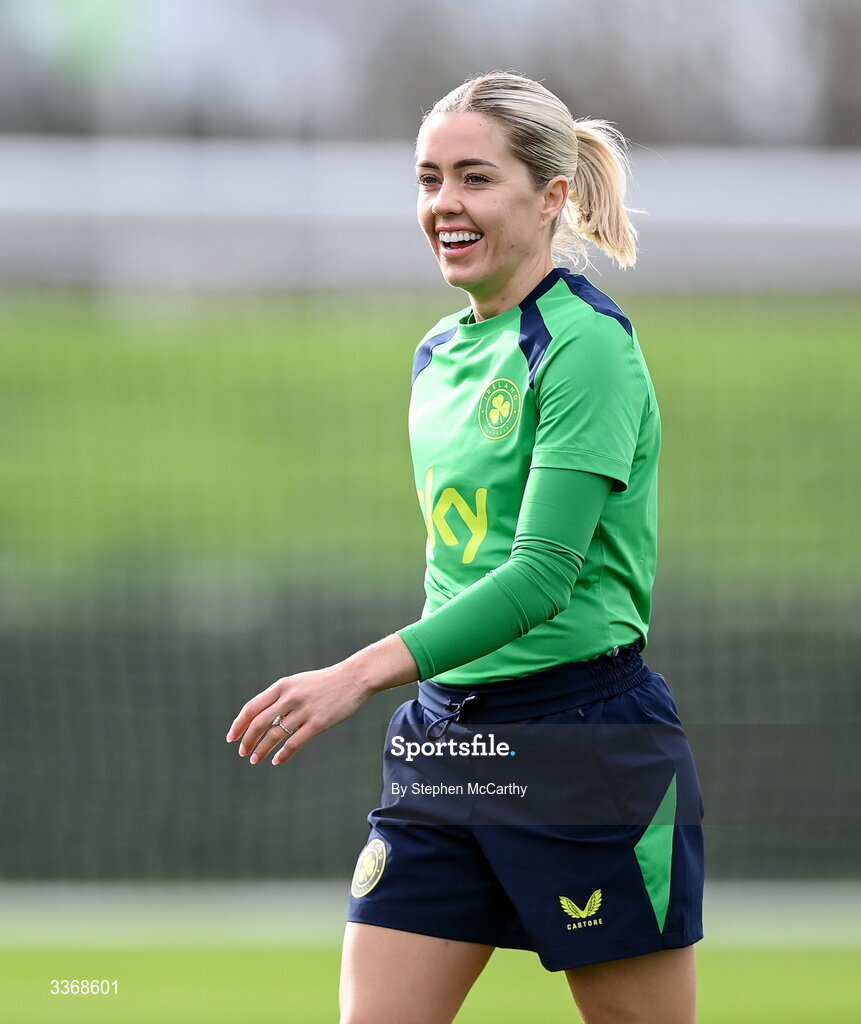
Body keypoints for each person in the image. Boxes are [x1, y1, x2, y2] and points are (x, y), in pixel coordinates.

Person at [226, 70, 705, 1024]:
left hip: (582, 743)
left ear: (551, 195)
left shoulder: (585, 348)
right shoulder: (439, 350)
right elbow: (462, 567)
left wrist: (358, 674)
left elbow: (537, 580)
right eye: (428, 178)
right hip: (447, 744)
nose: (444, 203)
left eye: (474, 178)